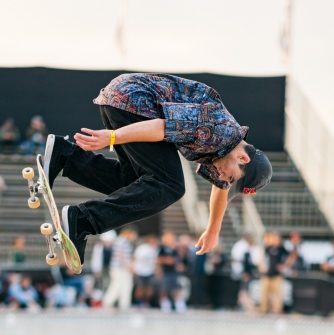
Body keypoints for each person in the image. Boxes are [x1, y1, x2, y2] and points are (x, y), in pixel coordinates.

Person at [40, 73, 273, 267]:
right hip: (134, 102)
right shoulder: (216, 129)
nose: (221, 178)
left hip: (121, 99)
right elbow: (162, 127)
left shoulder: (227, 150)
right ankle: (82, 220)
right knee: (171, 185)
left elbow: (222, 189)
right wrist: (113, 137)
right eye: (230, 176)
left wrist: (213, 230)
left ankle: (65, 157)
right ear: (242, 157)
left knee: (135, 183)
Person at [103, 227, 137, 309]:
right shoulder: (122, 241)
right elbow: (119, 255)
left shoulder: (125, 242)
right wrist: (128, 265)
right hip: (119, 268)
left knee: (126, 287)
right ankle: (107, 303)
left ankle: (124, 304)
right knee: (117, 286)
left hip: (123, 268)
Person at [259, 232, 288, 314]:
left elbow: (289, 257)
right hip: (267, 275)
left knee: (277, 294)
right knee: (264, 293)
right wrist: (262, 266)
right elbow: (263, 258)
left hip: (277, 275)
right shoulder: (268, 248)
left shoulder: (282, 249)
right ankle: (264, 309)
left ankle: (276, 310)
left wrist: (284, 266)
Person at [157, 230, 186, 312]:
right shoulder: (162, 248)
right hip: (165, 272)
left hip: (173, 272)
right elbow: (159, 259)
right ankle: (165, 308)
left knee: (176, 290)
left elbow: (177, 260)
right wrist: (167, 260)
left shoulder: (175, 248)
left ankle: (180, 308)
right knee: (164, 290)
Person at [133, 234, 159, 306]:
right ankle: (138, 303)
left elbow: (155, 260)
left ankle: (146, 302)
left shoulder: (154, 249)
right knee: (139, 288)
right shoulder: (141, 248)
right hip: (141, 271)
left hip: (150, 271)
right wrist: (135, 268)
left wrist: (156, 269)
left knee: (149, 289)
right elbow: (135, 258)